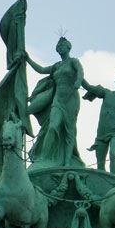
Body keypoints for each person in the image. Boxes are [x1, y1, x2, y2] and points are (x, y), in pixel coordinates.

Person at [25, 37, 85, 169]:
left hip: (71, 99)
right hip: (58, 100)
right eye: (58, 45)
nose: (60, 47)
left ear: (68, 47)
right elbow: (40, 70)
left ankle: (67, 162)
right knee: (53, 126)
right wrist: (27, 59)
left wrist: (78, 82)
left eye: (62, 44)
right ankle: (45, 158)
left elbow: (80, 72)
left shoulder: (73, 62)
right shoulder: (57, 66)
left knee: (69, 130)